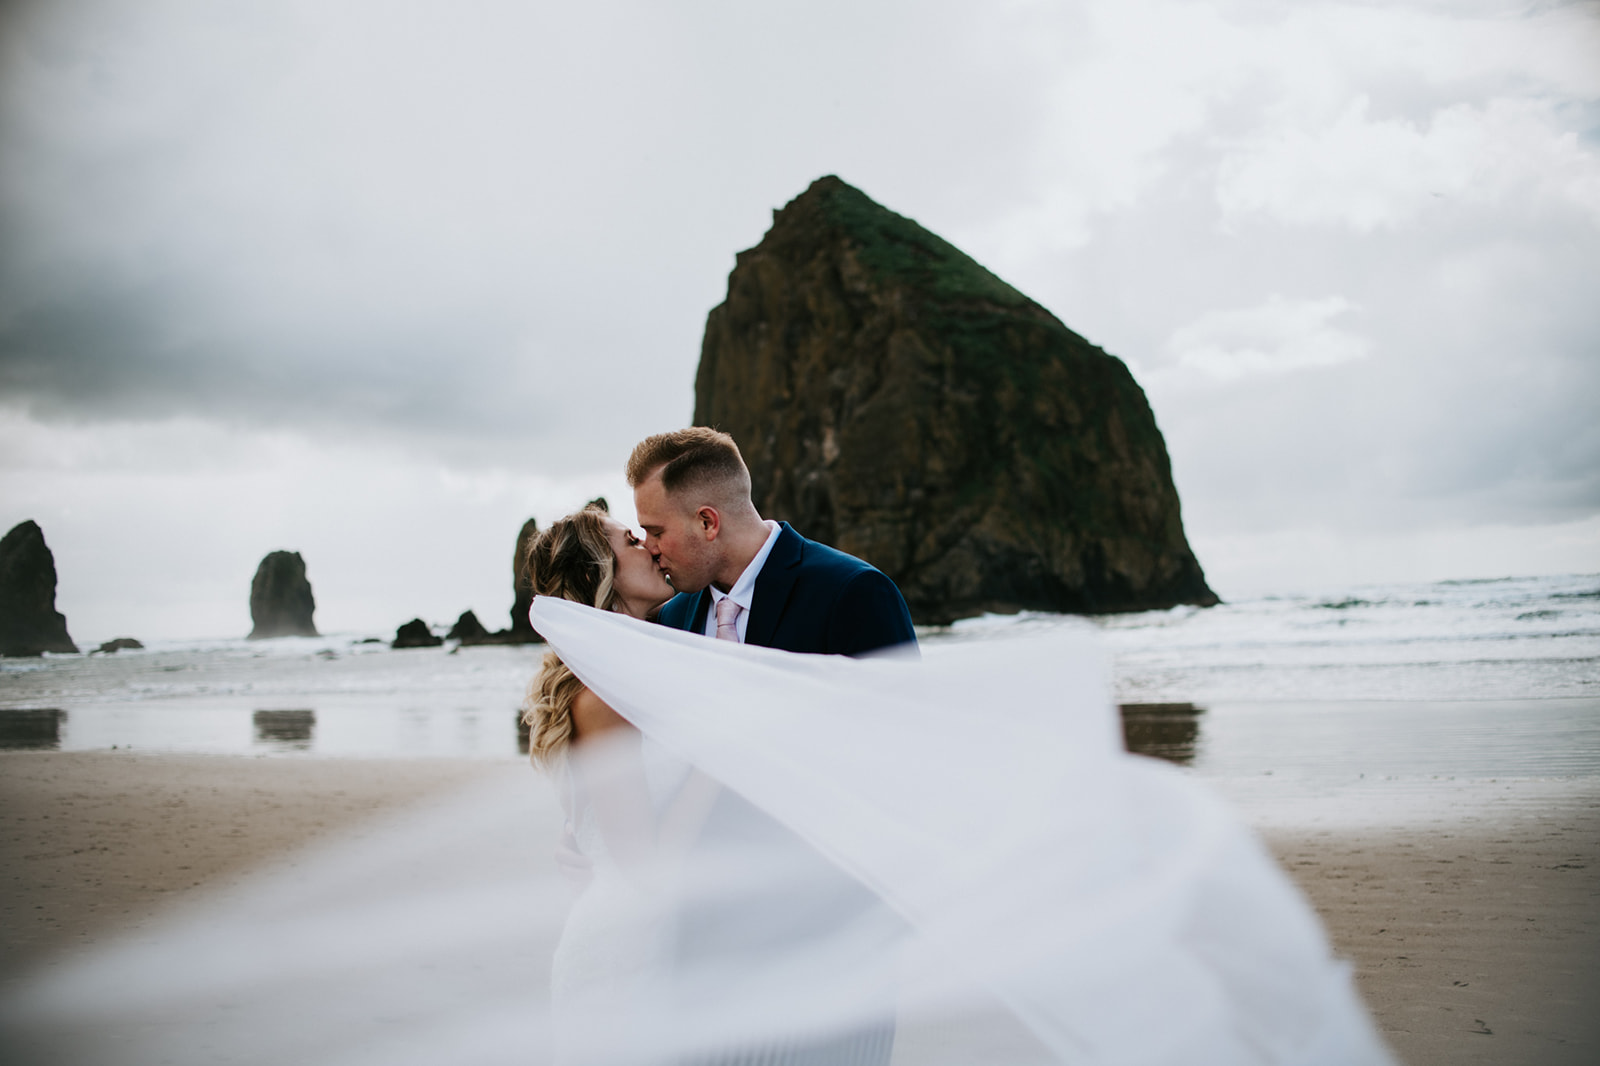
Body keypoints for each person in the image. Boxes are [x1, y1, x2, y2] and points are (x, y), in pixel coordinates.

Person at [626, 427, 916, 656]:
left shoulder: (854, 593)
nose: (649, 547)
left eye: (657, 532)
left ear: (707, 523)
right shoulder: (673, 618)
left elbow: (901, 723)